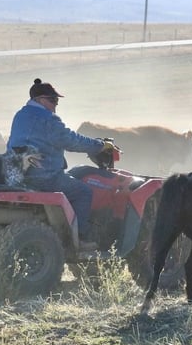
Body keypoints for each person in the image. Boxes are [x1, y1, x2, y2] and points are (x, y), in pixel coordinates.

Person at [7, 78, 114, 251]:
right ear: (40, 100)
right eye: (53, 100)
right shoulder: (49, 120)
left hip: (17, 174)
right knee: (83, 192)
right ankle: (80, 239)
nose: (56, 105)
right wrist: (100, 145)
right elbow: (71, 140)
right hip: (44, 177)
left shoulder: (20, 115)